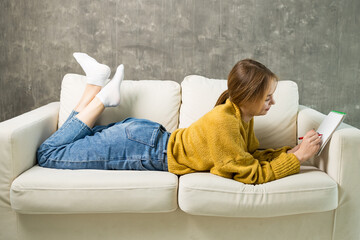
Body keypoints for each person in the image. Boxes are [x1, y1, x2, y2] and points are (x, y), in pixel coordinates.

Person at [37, 53, 322, 184]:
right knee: (48, 153)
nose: (272, 103)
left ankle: (96, 84)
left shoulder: (238, 117)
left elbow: (248, 157)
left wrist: (291, 151)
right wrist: (297, 159)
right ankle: (100, 96)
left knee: (62, 146)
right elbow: (252, 174)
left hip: (143, 139)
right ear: (247, 96)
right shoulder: (225, 121)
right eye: (267, 97)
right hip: (141, 147)